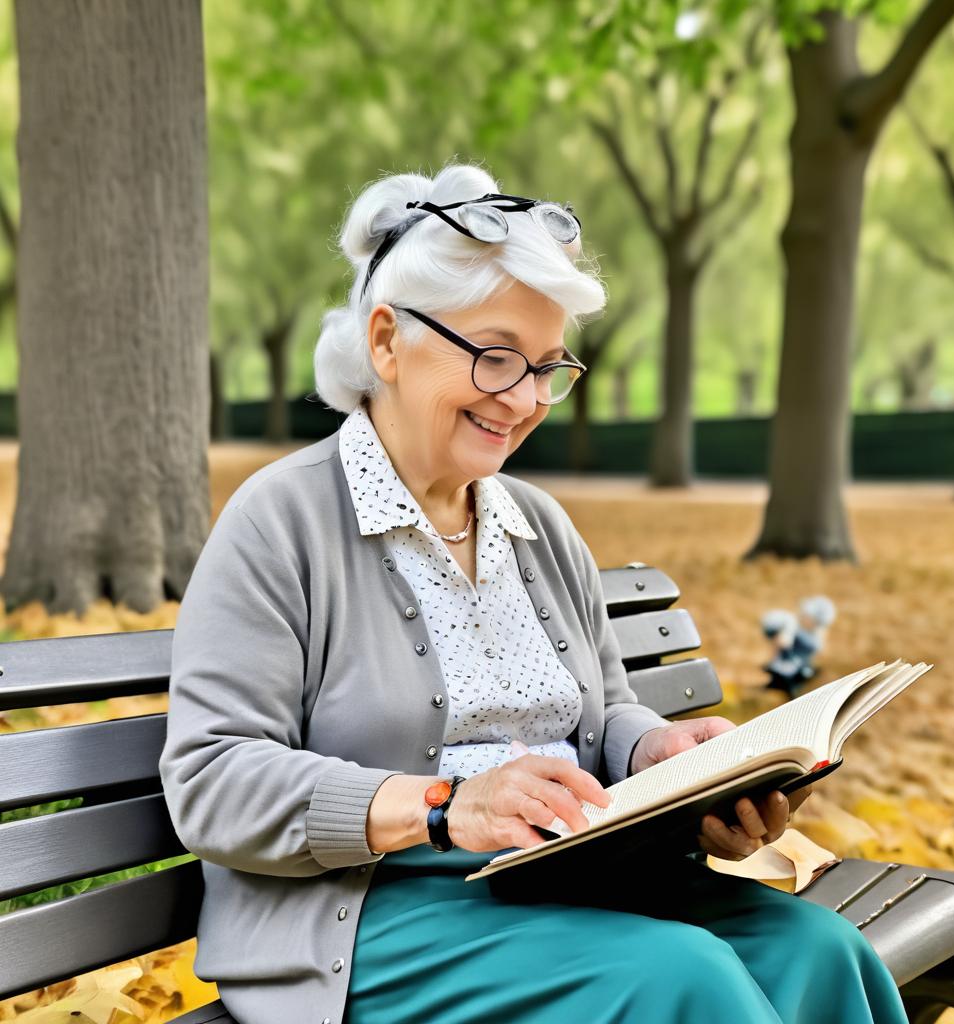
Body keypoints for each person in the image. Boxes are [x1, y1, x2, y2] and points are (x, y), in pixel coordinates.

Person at [158, 162, 910, 1024]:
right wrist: (443, 808)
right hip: (367, 917)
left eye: (548, 367)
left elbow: (605, 711)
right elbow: (213, 780)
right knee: (680, 978)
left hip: (566, 882)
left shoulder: (538, 526)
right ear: (385, 341)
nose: (523, 400)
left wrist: (657, 754)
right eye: (495, 357)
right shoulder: (280, 520)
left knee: (820, 952)